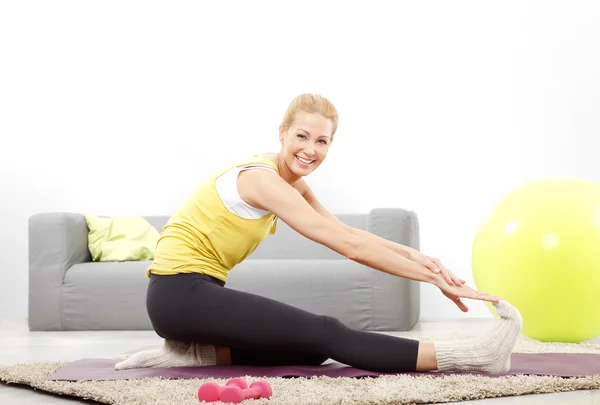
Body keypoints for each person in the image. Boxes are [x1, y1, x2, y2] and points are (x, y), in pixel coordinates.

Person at [115, 93, 522, 374]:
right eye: (302, 136)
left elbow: (343, 230)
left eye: (322, 141)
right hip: (179, 295)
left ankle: (197, 356)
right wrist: (434, 281)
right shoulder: (262, 180)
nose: (310, 149)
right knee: (327, 332)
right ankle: (468, 355)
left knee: (311, 350)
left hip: (192, 296)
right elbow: (348, 246)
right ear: (283, 133)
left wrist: (421, 258)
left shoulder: (288, 180)